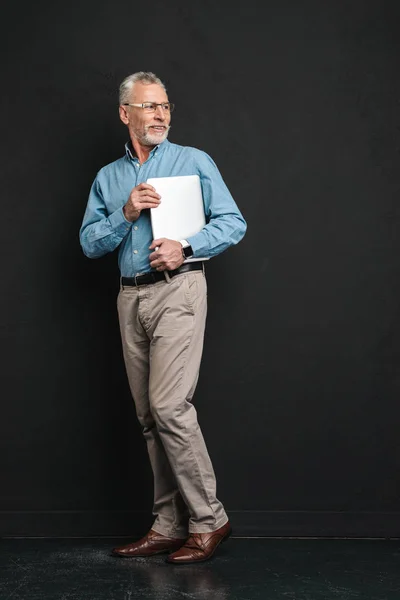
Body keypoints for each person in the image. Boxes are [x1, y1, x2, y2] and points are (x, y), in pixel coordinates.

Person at [79, 71, 246, 564]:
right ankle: (169, 524)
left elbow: (233, 222)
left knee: (170, 406)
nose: (160, 115)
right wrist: (125, 213)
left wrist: (185, 246)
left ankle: (209, 519)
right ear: (125, 114)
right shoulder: (109, 178)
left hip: (179, 291)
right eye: (149, 107)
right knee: (150, 418)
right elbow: (89, 244)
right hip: (129, 299)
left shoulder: (193, 161)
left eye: (165, 106)